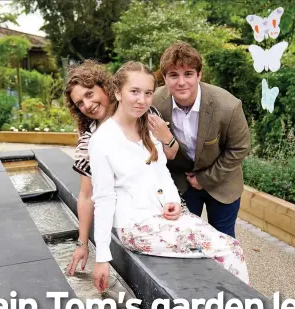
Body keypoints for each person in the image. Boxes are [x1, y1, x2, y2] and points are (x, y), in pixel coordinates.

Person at [88, 61, 251, 292]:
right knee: (228, 249)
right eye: (134, 92)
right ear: (117, 92)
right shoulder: (103, 140)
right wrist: (102, 258)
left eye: (147, 93)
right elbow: (103, 199)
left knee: (227, 246)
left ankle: (224, 308)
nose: (141, 100)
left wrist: (173, 201)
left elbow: (162, 171)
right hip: (136, 226)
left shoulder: (147, 125)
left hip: (164, 215)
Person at [64, 60, 179, 276]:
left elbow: (168, 157)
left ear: (106, 88)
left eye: (89, 94)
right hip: (134, 220)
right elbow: (88, 195)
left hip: (166, 203)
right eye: (79, 103)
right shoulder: (89, 141)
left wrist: (167, 137)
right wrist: (83, 244)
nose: (87, 105)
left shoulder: (143, 110)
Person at [152, 42, 251, 238]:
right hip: (180, 180)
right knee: (182, 238)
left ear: (199, 75)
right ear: (164, 78)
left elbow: (240, 148)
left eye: (188, 74)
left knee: (223, 241)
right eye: (173, 75)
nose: (181, 82)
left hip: (222, 181)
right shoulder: (153, 103)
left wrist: (204, 179)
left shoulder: (228, 105)